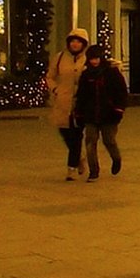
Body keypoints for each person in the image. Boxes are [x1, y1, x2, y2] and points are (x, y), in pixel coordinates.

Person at [72, 43, 127, 179]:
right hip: (90, 114)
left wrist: (119, 109)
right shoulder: (86, 75)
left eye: (96, 58)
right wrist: (79, 113)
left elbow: (121, 93)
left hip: (109, 114)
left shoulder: (112, 73)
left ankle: (116, 158)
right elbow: (81, 95)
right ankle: (94, 171)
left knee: (109, 140)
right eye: (92, 59)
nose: (94, 62)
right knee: (90, 142)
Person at [44, 29, 90, 179]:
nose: (75, 44)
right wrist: (55, 89)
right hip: (63, 101)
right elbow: (50, 77)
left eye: (78, 41)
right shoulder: (60, 58)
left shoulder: (88, 59)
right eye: (73, 41)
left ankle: (72, 168)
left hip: (81, 102)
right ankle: (80, 158)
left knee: (77, 135)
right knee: (66, 134)